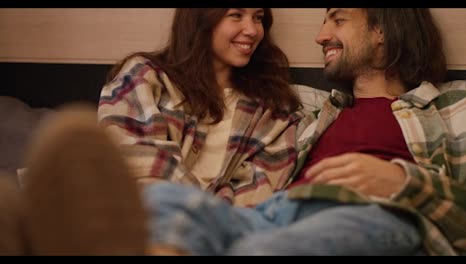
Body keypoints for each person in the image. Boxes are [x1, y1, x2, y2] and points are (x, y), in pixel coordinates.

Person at [2, 7, 466, 256]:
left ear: (383, 29)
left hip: (375, 213)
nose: (320, 35)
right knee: (162, 201)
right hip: (275, 212)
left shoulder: (451, 108)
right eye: (237, 15)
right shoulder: (312, 108)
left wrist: (406, 183)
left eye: (337, 19)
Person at [0, 8, 302, 255]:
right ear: (201, 18)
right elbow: (138, 160)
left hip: (204, 230)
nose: (252, 29)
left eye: (259, 17)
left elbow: (260, 192)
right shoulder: (144, 75)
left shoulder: (274, 109)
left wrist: (202, 221)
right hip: (132, 205)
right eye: (236, 15)